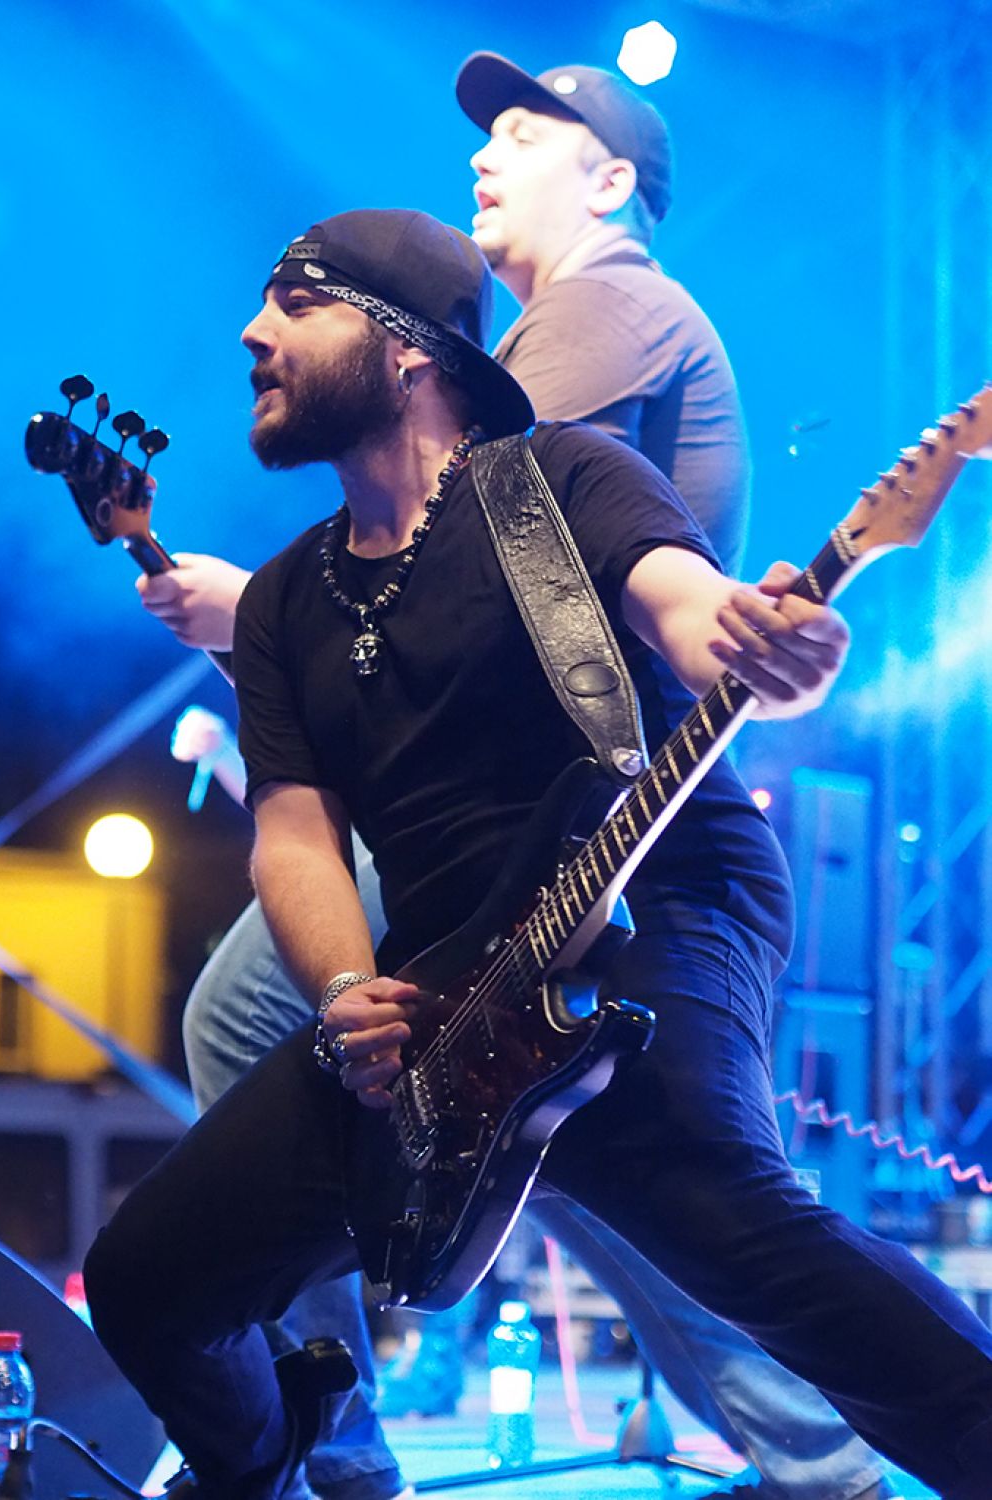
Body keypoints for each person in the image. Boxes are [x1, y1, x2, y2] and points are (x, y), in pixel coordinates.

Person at [83, 206, 992, 1500]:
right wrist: (347, 992)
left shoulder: (556, 480)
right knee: (145, 1282)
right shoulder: (284, 600)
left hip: (655, 889)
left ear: (406, 346)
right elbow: (293, 833)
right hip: (447, 975)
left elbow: (692, 615)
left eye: (295, 302)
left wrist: (762, 650)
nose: (251, 331)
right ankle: (269, 1465)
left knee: (724, 1213)